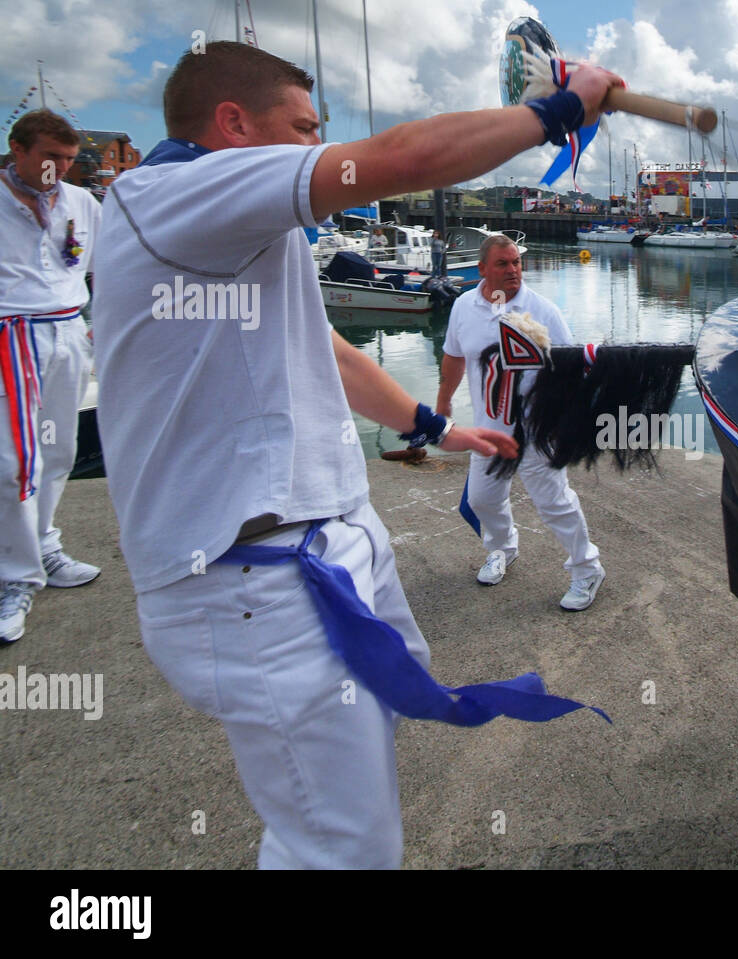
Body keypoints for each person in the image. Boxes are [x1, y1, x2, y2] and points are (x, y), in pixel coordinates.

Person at [91, 42, 620, 868]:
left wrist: (438, 428)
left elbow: (329, 354)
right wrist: (558, 113)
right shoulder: (176, 191)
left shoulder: (222, 231)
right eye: (302, 128)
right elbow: (396, 159)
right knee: (343, 846)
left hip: (306, 551)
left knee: (335, 814)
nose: (317, 147)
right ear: (232, 125)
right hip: (257, 575)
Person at [437, 236, 605, 611]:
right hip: (490, 428)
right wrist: (443, 401)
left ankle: (587, 568)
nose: (513, 270)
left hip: (536, 428)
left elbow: (571, 367)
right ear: (482, 269)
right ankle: (502, 548)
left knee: (554, 503)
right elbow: (453, 358)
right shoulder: (464, 307)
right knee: (482, 499)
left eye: (516, 262)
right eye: (503, 264)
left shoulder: (542, 310)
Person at [0, 109, 102, 645]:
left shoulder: (81, 204)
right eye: (48, 156)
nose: (58, 169)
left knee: (59, 450)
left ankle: (42, 543)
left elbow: (102, 268)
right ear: (17, 149)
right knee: (12, 461)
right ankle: (12, 579)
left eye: (66, 159)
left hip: (67, 333)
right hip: (9, 335)